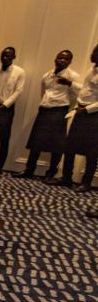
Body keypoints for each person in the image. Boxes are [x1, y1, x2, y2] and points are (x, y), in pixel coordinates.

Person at [18, 50, 80, 179]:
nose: (62, 60)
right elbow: (43, 93)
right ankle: (29, 170)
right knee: (36, 142)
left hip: (59, 111)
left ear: (70, 62)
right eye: (59, 58)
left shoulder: (73, 76)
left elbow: (78, 95)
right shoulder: (47, 75)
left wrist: (68, 107)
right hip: (44, 110)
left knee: (56, 144)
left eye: (65, 59)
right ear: (55, 59)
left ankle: (51, 173)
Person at [47, 43, 98, 193]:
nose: (93, 54)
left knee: (91, 151)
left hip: (93, 115)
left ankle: (86, 183)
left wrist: (87, 109)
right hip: (80, 111)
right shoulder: (91, 70)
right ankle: (66, 178)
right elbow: (85, 90)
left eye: (96, 52)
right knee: (69, 146)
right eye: (94, 51)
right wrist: (70, 84)